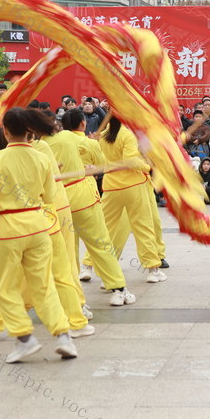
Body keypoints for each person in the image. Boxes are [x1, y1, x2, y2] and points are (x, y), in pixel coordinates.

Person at [0, 108, 78, 363]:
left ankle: (25, 338)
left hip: (8, 229)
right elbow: (48, 195)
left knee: (6, 286)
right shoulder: (41, 158)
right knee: (44, 286)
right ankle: (64, 336)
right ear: (29, 131)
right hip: (38, 226)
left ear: (5, 131)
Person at [46, 108, 135, 306]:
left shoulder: (43, 145)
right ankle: (118, 288)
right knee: (100, 243)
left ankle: (72, 295)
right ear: (83, 123)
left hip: (58, 200)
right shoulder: (85, 141)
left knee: (66, 250)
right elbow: (100, 165)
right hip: (82, 195)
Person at [96, 116, 167, 282]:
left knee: (104, 228)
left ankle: (99, 269)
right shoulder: (127, 135)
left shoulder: (104, 134)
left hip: (111, 186)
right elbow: (131, 161)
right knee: (144, 226)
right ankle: (152, 269)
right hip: (133, 185)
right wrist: (147, 166)